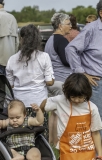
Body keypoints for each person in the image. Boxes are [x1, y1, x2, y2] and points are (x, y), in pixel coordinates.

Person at [40, 73, 102, 160]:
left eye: (80, 97)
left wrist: (100, 154)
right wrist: (39, 114)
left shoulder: (92, 108)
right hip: (67, 150)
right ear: (67, 93)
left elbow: (95, 132)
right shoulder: (60, 101)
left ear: (87, 93)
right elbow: (44, 104)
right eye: (73, 97)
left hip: (87, 152)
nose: (76, 100)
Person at [65, 0, 102, 139]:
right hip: (96, 83)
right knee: (98, 121)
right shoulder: (91, 29)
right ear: (101, 13)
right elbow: (71, 49)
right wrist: (81, 73)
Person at [6, 24, 54, 108]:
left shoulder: (12, 59)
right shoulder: (44, 57)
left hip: (19, 103)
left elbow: (11, 85)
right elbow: (49, 82)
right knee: (40, 121)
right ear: (37, 40)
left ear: (21, 39)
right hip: (39, 102)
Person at [44, 12, 72, 145]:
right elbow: (67, 61)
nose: (71, 26)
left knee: (54, 113)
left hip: (54, 80)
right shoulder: (61, 40)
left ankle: (52, 141)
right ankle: (60, 141)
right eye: (68, 24)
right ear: (60, 26)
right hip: (62, 80)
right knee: (62, 113)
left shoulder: (51, 39)